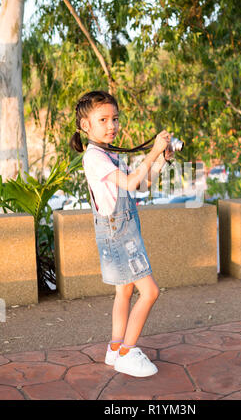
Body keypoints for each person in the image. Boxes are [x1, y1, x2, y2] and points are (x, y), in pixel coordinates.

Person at [69, 90, 174, 378]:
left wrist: (161, 160)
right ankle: (128, 352)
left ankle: (115, 349)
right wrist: (151, 151)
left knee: (125, 291)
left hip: (122, 233)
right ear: (85, 126)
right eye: (103, 119)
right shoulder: (94, 157)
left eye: (115, 118)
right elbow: (129, 184)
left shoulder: (109, 155)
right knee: (150, 292)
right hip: (120, 237)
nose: (112, 125)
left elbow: (141, 186)